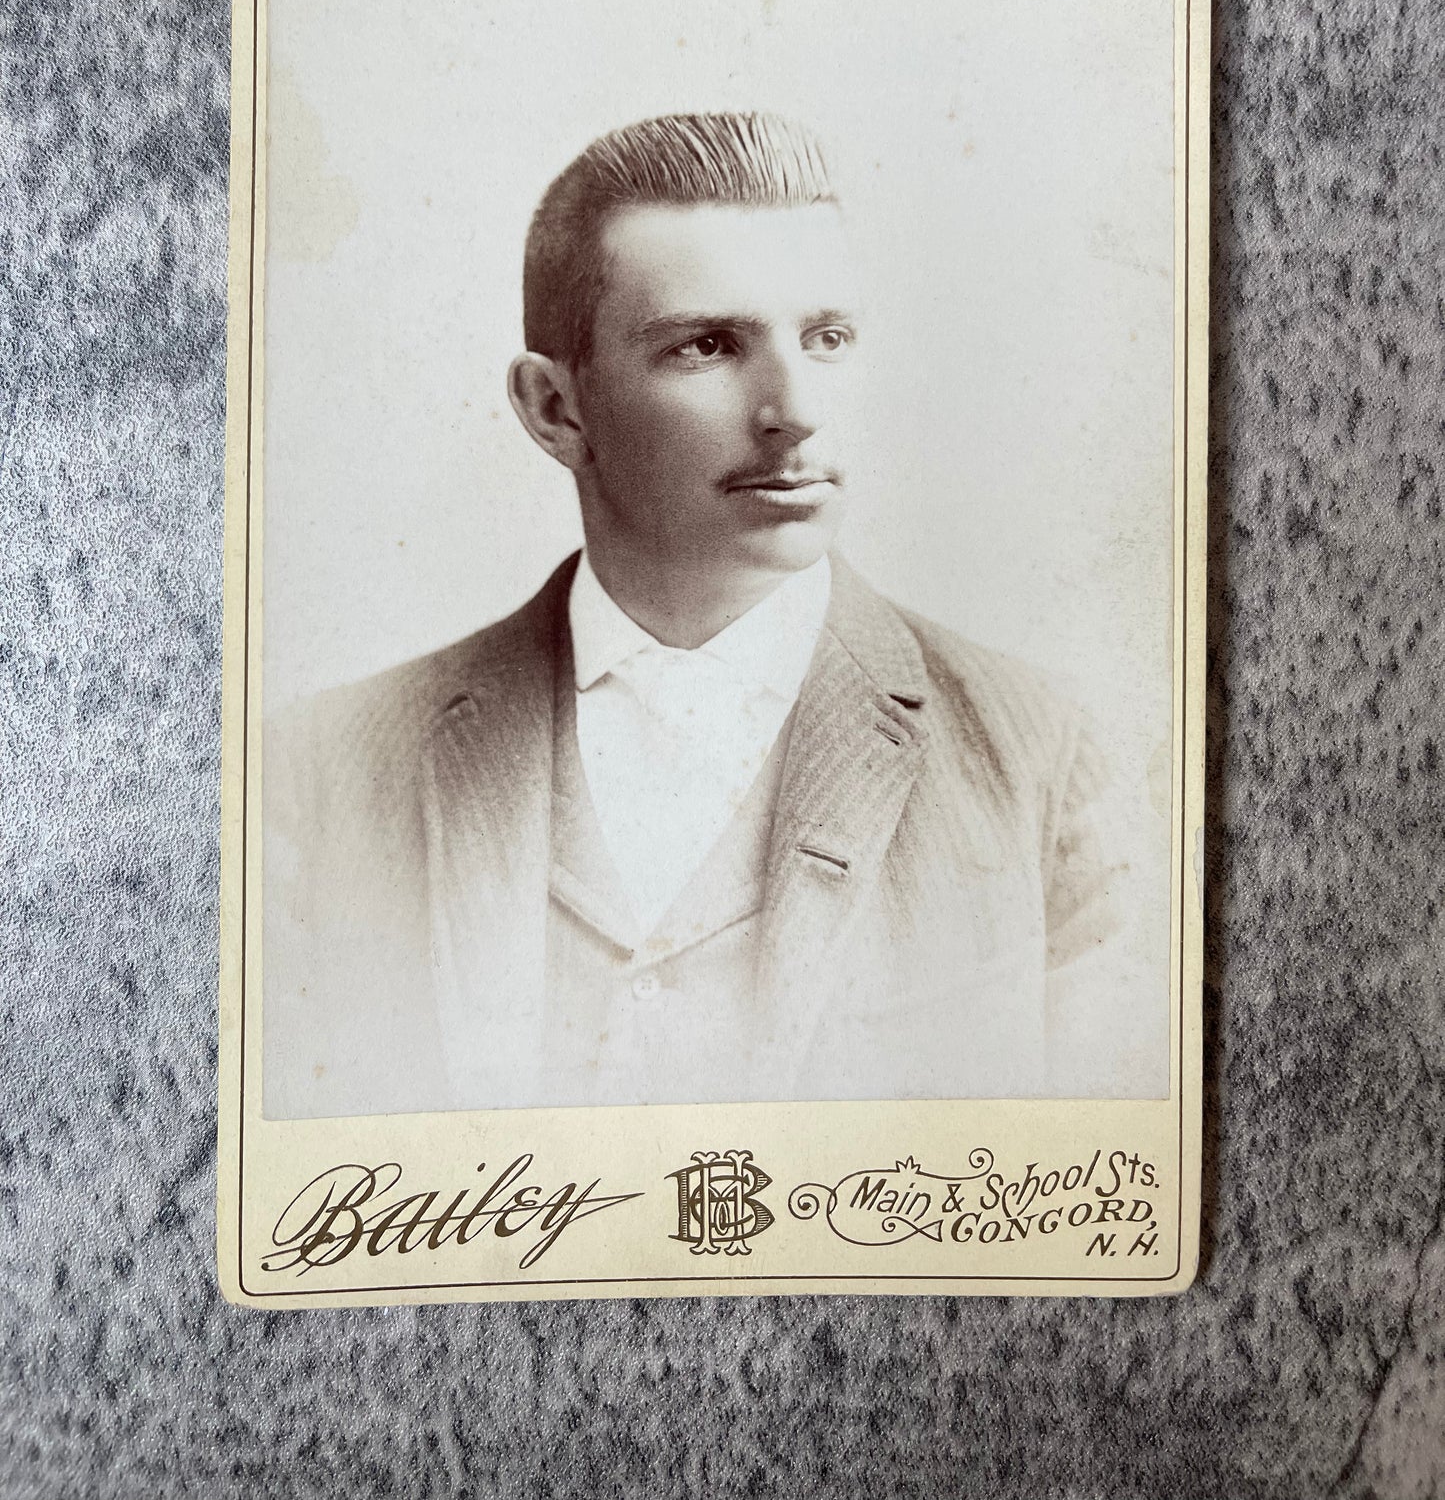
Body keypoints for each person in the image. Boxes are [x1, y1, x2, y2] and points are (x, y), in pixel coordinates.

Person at [263, 111, 1133, 1120]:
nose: (794, 408)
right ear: (554, 408)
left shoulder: (1046, 755)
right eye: (709, 345)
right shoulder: (315, 777)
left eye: (827, 337)